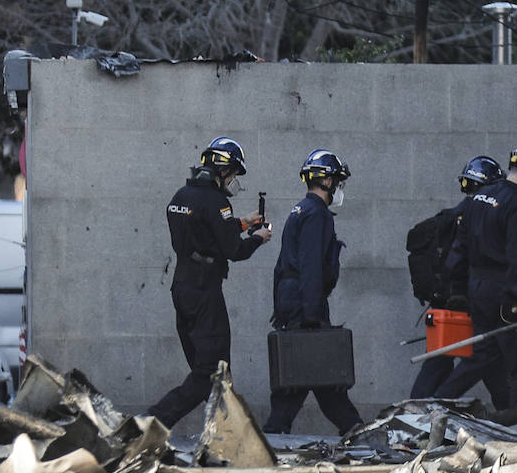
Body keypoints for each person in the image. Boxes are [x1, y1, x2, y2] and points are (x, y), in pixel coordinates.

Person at [147, 137, 271, 429]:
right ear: (223, 170)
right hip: (205, 293)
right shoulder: (217, 202)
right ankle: (151, 421)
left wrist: (241, 222)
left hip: (183, 287)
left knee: (208, 373)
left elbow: (204, 233)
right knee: (210, 373)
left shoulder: (181, 196)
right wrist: (258, 237)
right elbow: (233, 250)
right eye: (234, 174)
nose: (234, 181)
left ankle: (227, 432)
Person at [432, 140, 517, 424]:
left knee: (484, 354)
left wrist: (460, 291)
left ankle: (435, 405)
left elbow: (458, 251)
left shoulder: (478, 199)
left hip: (478, 292)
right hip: (505, 295)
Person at [262, 149, 363, 435]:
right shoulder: (317, 215)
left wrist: (282, 306)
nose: (339, 188)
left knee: (310, 369)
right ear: (327, 182)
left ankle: (349, 427)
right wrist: (311, 311)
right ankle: (351, 427)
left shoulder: (299, 210)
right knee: (318, 367)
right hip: (306, 300)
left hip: (294, 298)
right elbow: (310, 265)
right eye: (338, 182)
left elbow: (282, 266)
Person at [407, 155, 510, 403]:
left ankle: (414, 412)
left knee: (438, 364)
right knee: (490, 361)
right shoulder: (479, 220)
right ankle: (514, 417)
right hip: (470, 307)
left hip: (444, 307)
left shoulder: (449, 217)